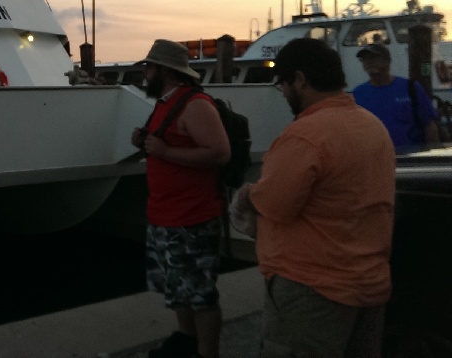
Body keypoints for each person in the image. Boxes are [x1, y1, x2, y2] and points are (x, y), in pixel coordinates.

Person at [233, 38, 396, 357]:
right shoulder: (372, 126)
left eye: (283, 85)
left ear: (300, 79)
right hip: (370, 284)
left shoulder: (305, 135)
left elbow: (275, 205)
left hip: (313, 291)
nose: (284, 94)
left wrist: (247, 194)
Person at [130, 39, 231, 358]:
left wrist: (165, 151)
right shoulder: (166, 102)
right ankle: (186, 340)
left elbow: (220, 153)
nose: (145, 73)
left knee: (200, 295)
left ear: (164, 70)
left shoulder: (196, 104)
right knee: (178, 289)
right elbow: (167, 145)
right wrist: (145, 142)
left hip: (192, 218)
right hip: (164, 215)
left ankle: (206, 353)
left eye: (149, 67)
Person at [352, 42, 440, 151]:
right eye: (364, 59)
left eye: (373, 58)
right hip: (375, 161)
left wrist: (432, 156)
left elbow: (429, 125)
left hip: (411, 160)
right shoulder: (358, 93)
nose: (369, 62)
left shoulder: (411, 88)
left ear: (387, 60)